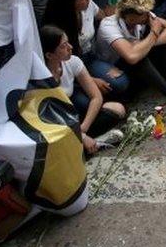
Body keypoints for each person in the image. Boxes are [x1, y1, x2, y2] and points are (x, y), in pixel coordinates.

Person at [40, 25, 125, 155]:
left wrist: (83, 129)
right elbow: (50, 118)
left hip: (74, 117)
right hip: (55, 123)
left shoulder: (72, 61)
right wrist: (82, 136)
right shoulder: (41, 77)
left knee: (118, 109)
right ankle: (87, 143)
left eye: (68, 42)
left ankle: (84, 143)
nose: (70, 47)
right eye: (63, 46)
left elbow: (96, 97)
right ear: (49, 55)